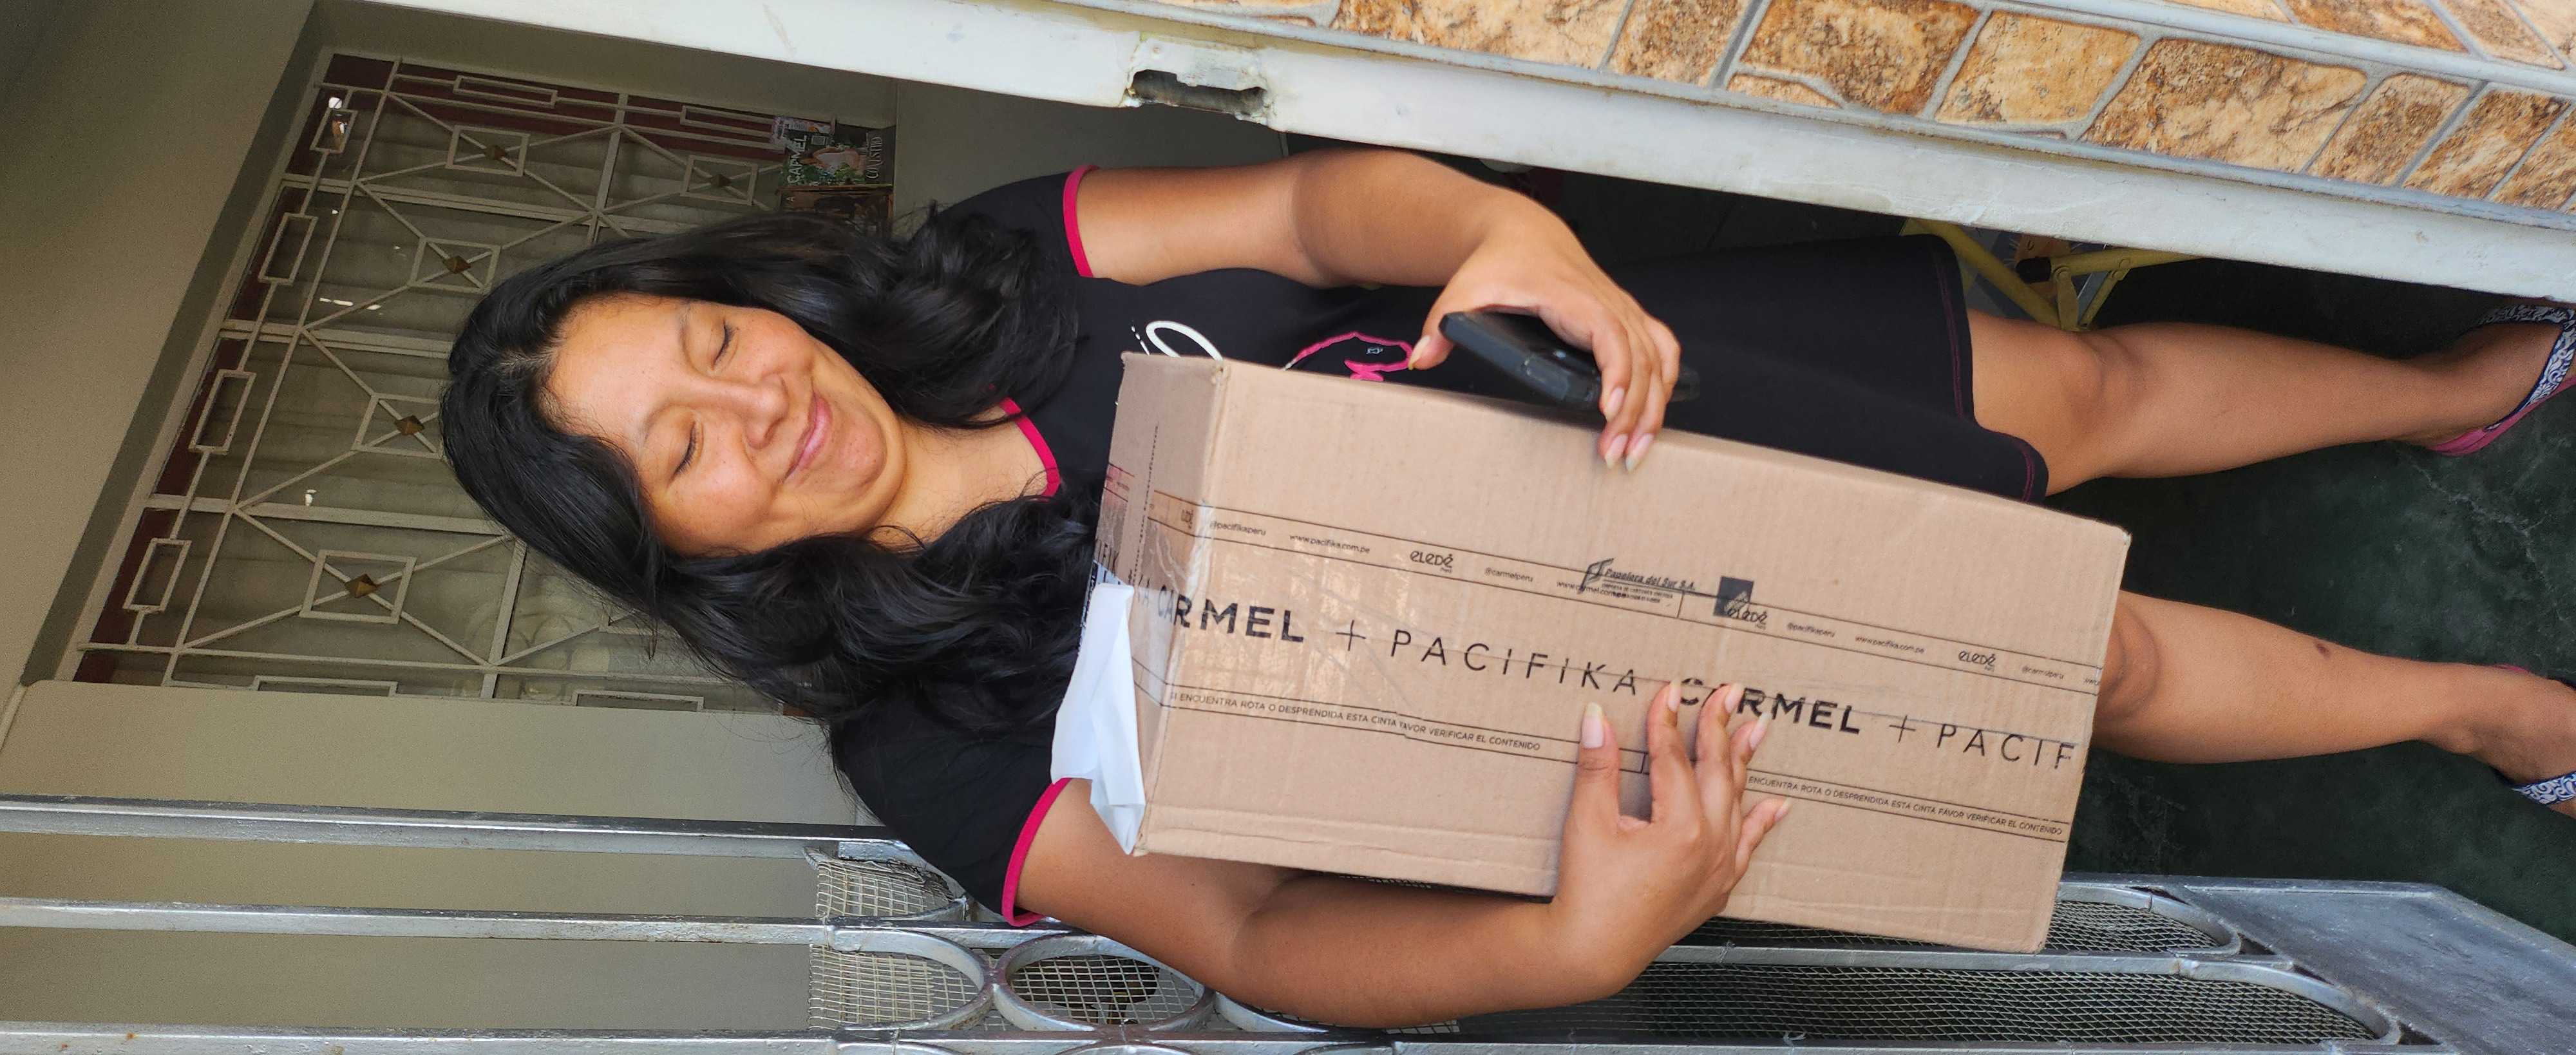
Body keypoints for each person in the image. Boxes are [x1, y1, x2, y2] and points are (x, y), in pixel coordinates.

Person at [440, 148, 2575, 1027]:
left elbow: (1308, 206)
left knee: (2085, 397)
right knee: (2084, 667)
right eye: (682, 454)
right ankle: (2487, 712)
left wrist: (1498, 237)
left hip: (1631, 389)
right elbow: (1254, 936)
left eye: (711, 343)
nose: (756, 408)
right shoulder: (919, 739)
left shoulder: (990, 267)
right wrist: (1570, 940)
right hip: (1632, 661)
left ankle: (2442, 395)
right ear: (672, 553)